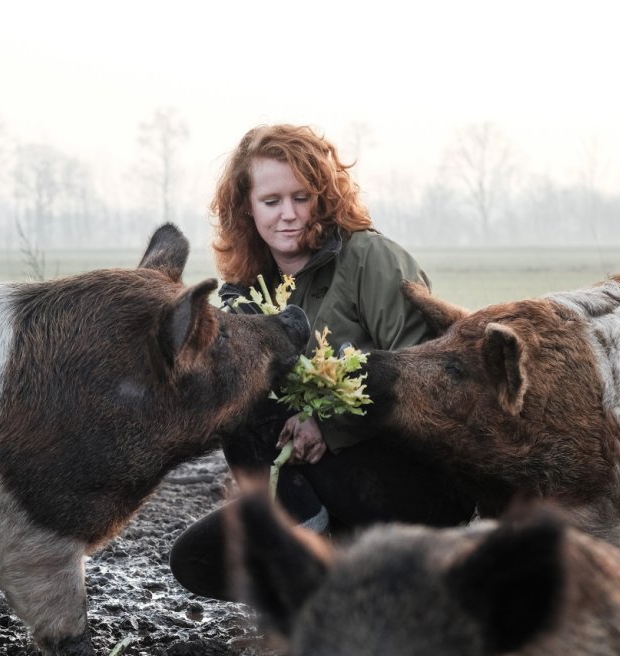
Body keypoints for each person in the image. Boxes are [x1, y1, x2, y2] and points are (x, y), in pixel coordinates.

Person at [169, 124, 475, 601]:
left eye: (301, 197)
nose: (288, 215)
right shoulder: (244, 293)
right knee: (195, 560)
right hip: (316, 490)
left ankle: (315, 576)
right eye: (271, 202)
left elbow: (427, 376)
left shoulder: (371, 259)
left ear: (324, 198)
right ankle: (327, 554)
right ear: (246, 208)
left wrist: (327, 427)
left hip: (410, 482)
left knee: (255, 413)